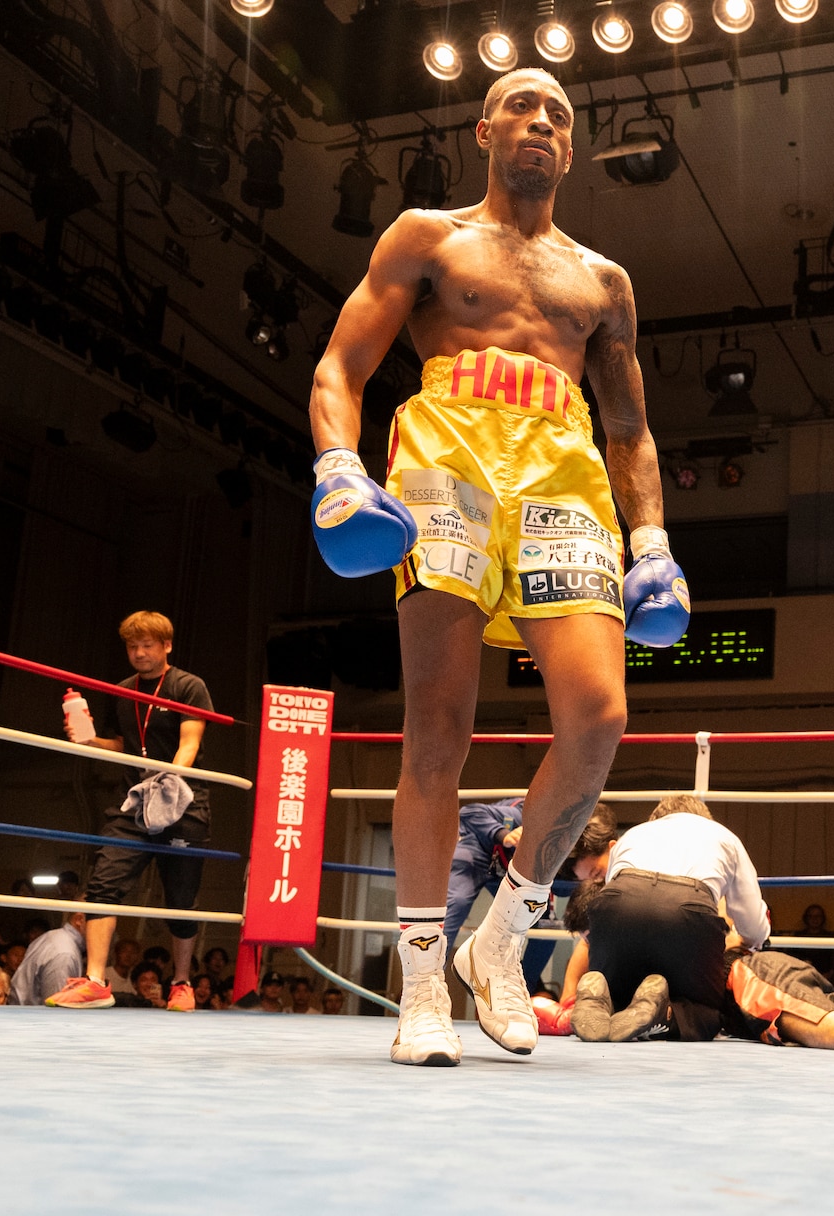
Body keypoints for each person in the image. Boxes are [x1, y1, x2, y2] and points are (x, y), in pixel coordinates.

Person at [311, 66, 686, 1070]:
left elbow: (632, 430)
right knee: (438, 724)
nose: (539, 121)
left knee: (598, 716)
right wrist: (339, 466)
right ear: (484, 129)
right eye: (522, 106)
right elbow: (340, 366)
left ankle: (502, 940)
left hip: (561, 471)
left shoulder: (602, 283)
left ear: (571, 148)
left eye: (558, 114)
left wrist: (650, 540)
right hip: (449, 460)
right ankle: (424, 974)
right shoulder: (427, 237)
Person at [51, 611, 215, 1012]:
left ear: (166, 646)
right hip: (134, 802)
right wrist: (90, 742)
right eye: (132, 646)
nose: (139, 653)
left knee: (180, 898)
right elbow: (125, 745)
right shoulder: (123, 690)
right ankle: (94, 980)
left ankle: (181, 983)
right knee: (104, 881)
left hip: (182, 799)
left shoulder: (188, 686)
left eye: (148, 645)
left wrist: (172, 780)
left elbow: (189, 742)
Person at [571, 795, 768, 1043]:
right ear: (704, 818)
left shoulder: (633, 834)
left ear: (657, 818)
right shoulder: (724, 837)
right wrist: (750, 941)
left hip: (618, 903)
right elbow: (752, 923)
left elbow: (614, 893)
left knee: (620, 990)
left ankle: (604, 1001)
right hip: (687, 908)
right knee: (706, 1013)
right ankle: (664, 1014)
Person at [444, 798, 615, 998]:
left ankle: (522, 993)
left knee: (547, 926)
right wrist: (504, 835)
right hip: (480, 848)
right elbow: (469, 812)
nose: (598, 880)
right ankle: (427, 979)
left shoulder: (572, 865)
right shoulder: (533, 817)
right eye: (595, 873)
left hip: (518, 870)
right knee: (458, 900)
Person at [17, 906, 89, 1007]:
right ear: (79, 920)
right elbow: (57, 1012)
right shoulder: (64, 954)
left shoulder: (54, 936)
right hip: (35, 1020)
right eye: (102, 924)